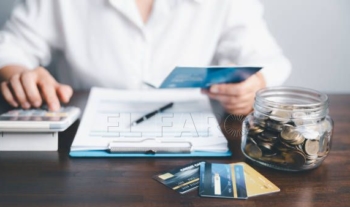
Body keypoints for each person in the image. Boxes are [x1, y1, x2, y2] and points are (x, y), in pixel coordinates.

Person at [0, 0, 291, 115]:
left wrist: (253, 86)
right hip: (81, 144)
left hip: (191, 135)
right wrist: (18, 74)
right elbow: (10, 45)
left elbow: (267, 58)